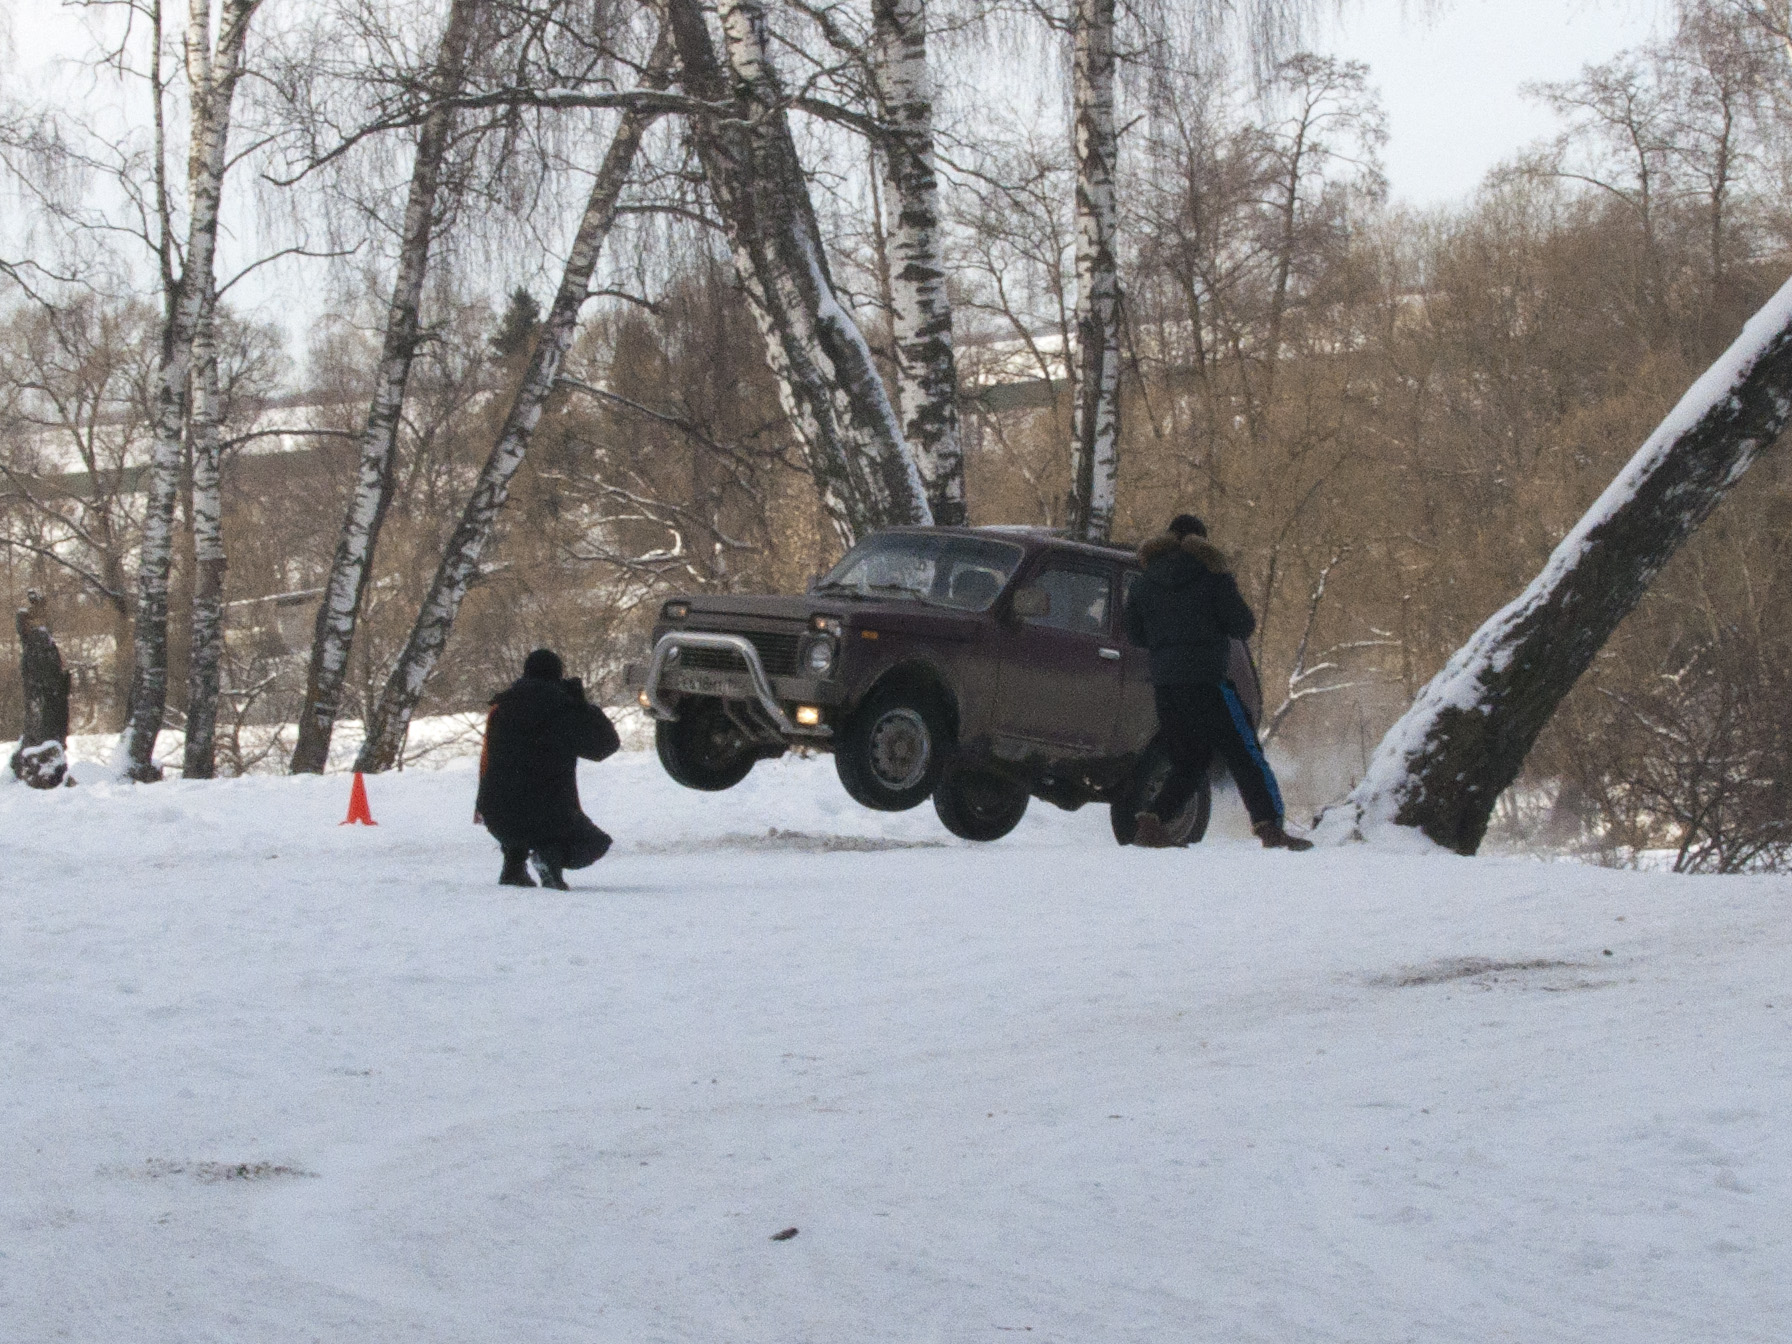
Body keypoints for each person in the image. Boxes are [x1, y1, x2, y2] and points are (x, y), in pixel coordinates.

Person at [1122, 514, 1313, 852]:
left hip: (1167, 685)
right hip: (1208, 682)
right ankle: (1270, 827)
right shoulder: (1212, 575)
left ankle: (1153, 822)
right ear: (1201, 541)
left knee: (1189, 759)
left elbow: (1135, 633)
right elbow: (1242, 624)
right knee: (1244, 753)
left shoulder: (1144, 581)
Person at [476, 648, 621, 888]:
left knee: (517, 801)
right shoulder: (562, 709)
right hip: (548, 814)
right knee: (595, 843)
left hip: (496, 814)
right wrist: (583, 706)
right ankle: (549, 857)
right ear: (558, 675)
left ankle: (513, 866)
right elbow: (605, 746)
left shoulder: (502, 707)